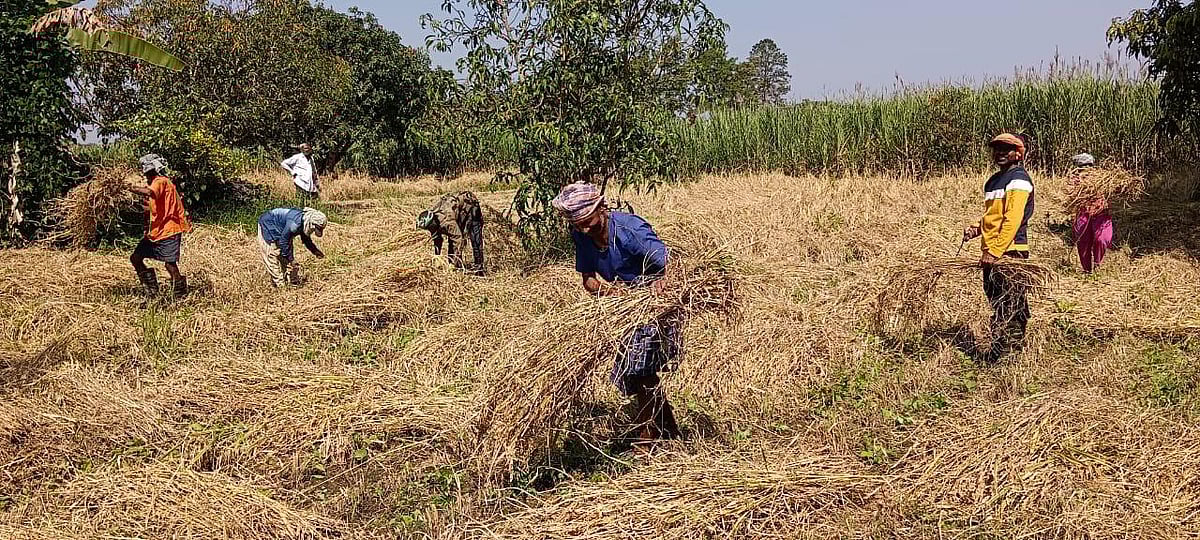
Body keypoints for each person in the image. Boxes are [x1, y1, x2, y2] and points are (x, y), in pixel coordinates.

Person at [552, 182, 681, 444]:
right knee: (637, 373)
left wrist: (662, 282)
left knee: (640, 370)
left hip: (656, 305)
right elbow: (588, 280)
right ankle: (670, 433)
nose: (584, 229)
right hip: (628, 307)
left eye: (587, 222)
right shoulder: (581, 235)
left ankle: (647, 439)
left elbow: (673, 264)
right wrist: (613, 293)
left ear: (601, 207)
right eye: (578, 224)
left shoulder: (629, 230)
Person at [962, 133, 1035, 363]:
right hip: (992, 253)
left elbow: (1012, 219)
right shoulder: (993, 181)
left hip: (1010, 252)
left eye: (1007, 149)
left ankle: (1009, 355)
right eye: (997, 148)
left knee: (1010, 302)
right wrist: (977, 228)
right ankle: (1001, 348)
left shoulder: (1019, 179)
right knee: (998, 301)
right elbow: (993, 216)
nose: (1000, 152)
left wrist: (994, 252)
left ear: (1018, 154)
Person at [128, 153, 191, 297]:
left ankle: (180, 295)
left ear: (151, 170)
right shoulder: (159, 184)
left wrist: (130, 188)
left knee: (170, 264)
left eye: (146, 172)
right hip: (157, 231)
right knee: (136, 258)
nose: (145, 176)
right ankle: (151, 290)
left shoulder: (160, 181)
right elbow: (152, 208)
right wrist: (130, 205)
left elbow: (149, 192)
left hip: (169, 229)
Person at [416, 191, 486, 275]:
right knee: (452, 240)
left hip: (471, 205)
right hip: (459, 210)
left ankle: (479, 269)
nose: (430, 229)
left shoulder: (447, 221)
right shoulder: (433, 224)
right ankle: (456, 267)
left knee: (475, 239)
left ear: (433, 222)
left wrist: (454, 262)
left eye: (429, 227)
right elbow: (437, 240)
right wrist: (437, 256)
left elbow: (458, 239)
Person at [257, 207, 327, 287]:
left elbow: (306, 239)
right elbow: (283, 241)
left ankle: (292, 282)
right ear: (311, 224)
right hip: (268, 224)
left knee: (286, 256)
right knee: (271, 256)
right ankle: (281, 286)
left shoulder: (304, 221)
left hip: (283, 231)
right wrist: (291, 259)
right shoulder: (294, 225)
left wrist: (315, 251)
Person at [1067, 153, 1113, 273]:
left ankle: (1097, 264)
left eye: (1089, 165)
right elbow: (1069, 195)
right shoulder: (1074, 179)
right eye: (1083, 166)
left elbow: (1112, 191)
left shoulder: (1102, 178)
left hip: (1101, 213)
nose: (1086, 169)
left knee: (1102, 239)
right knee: (1083, 242)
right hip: (1083, 213)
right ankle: (1087, 270)